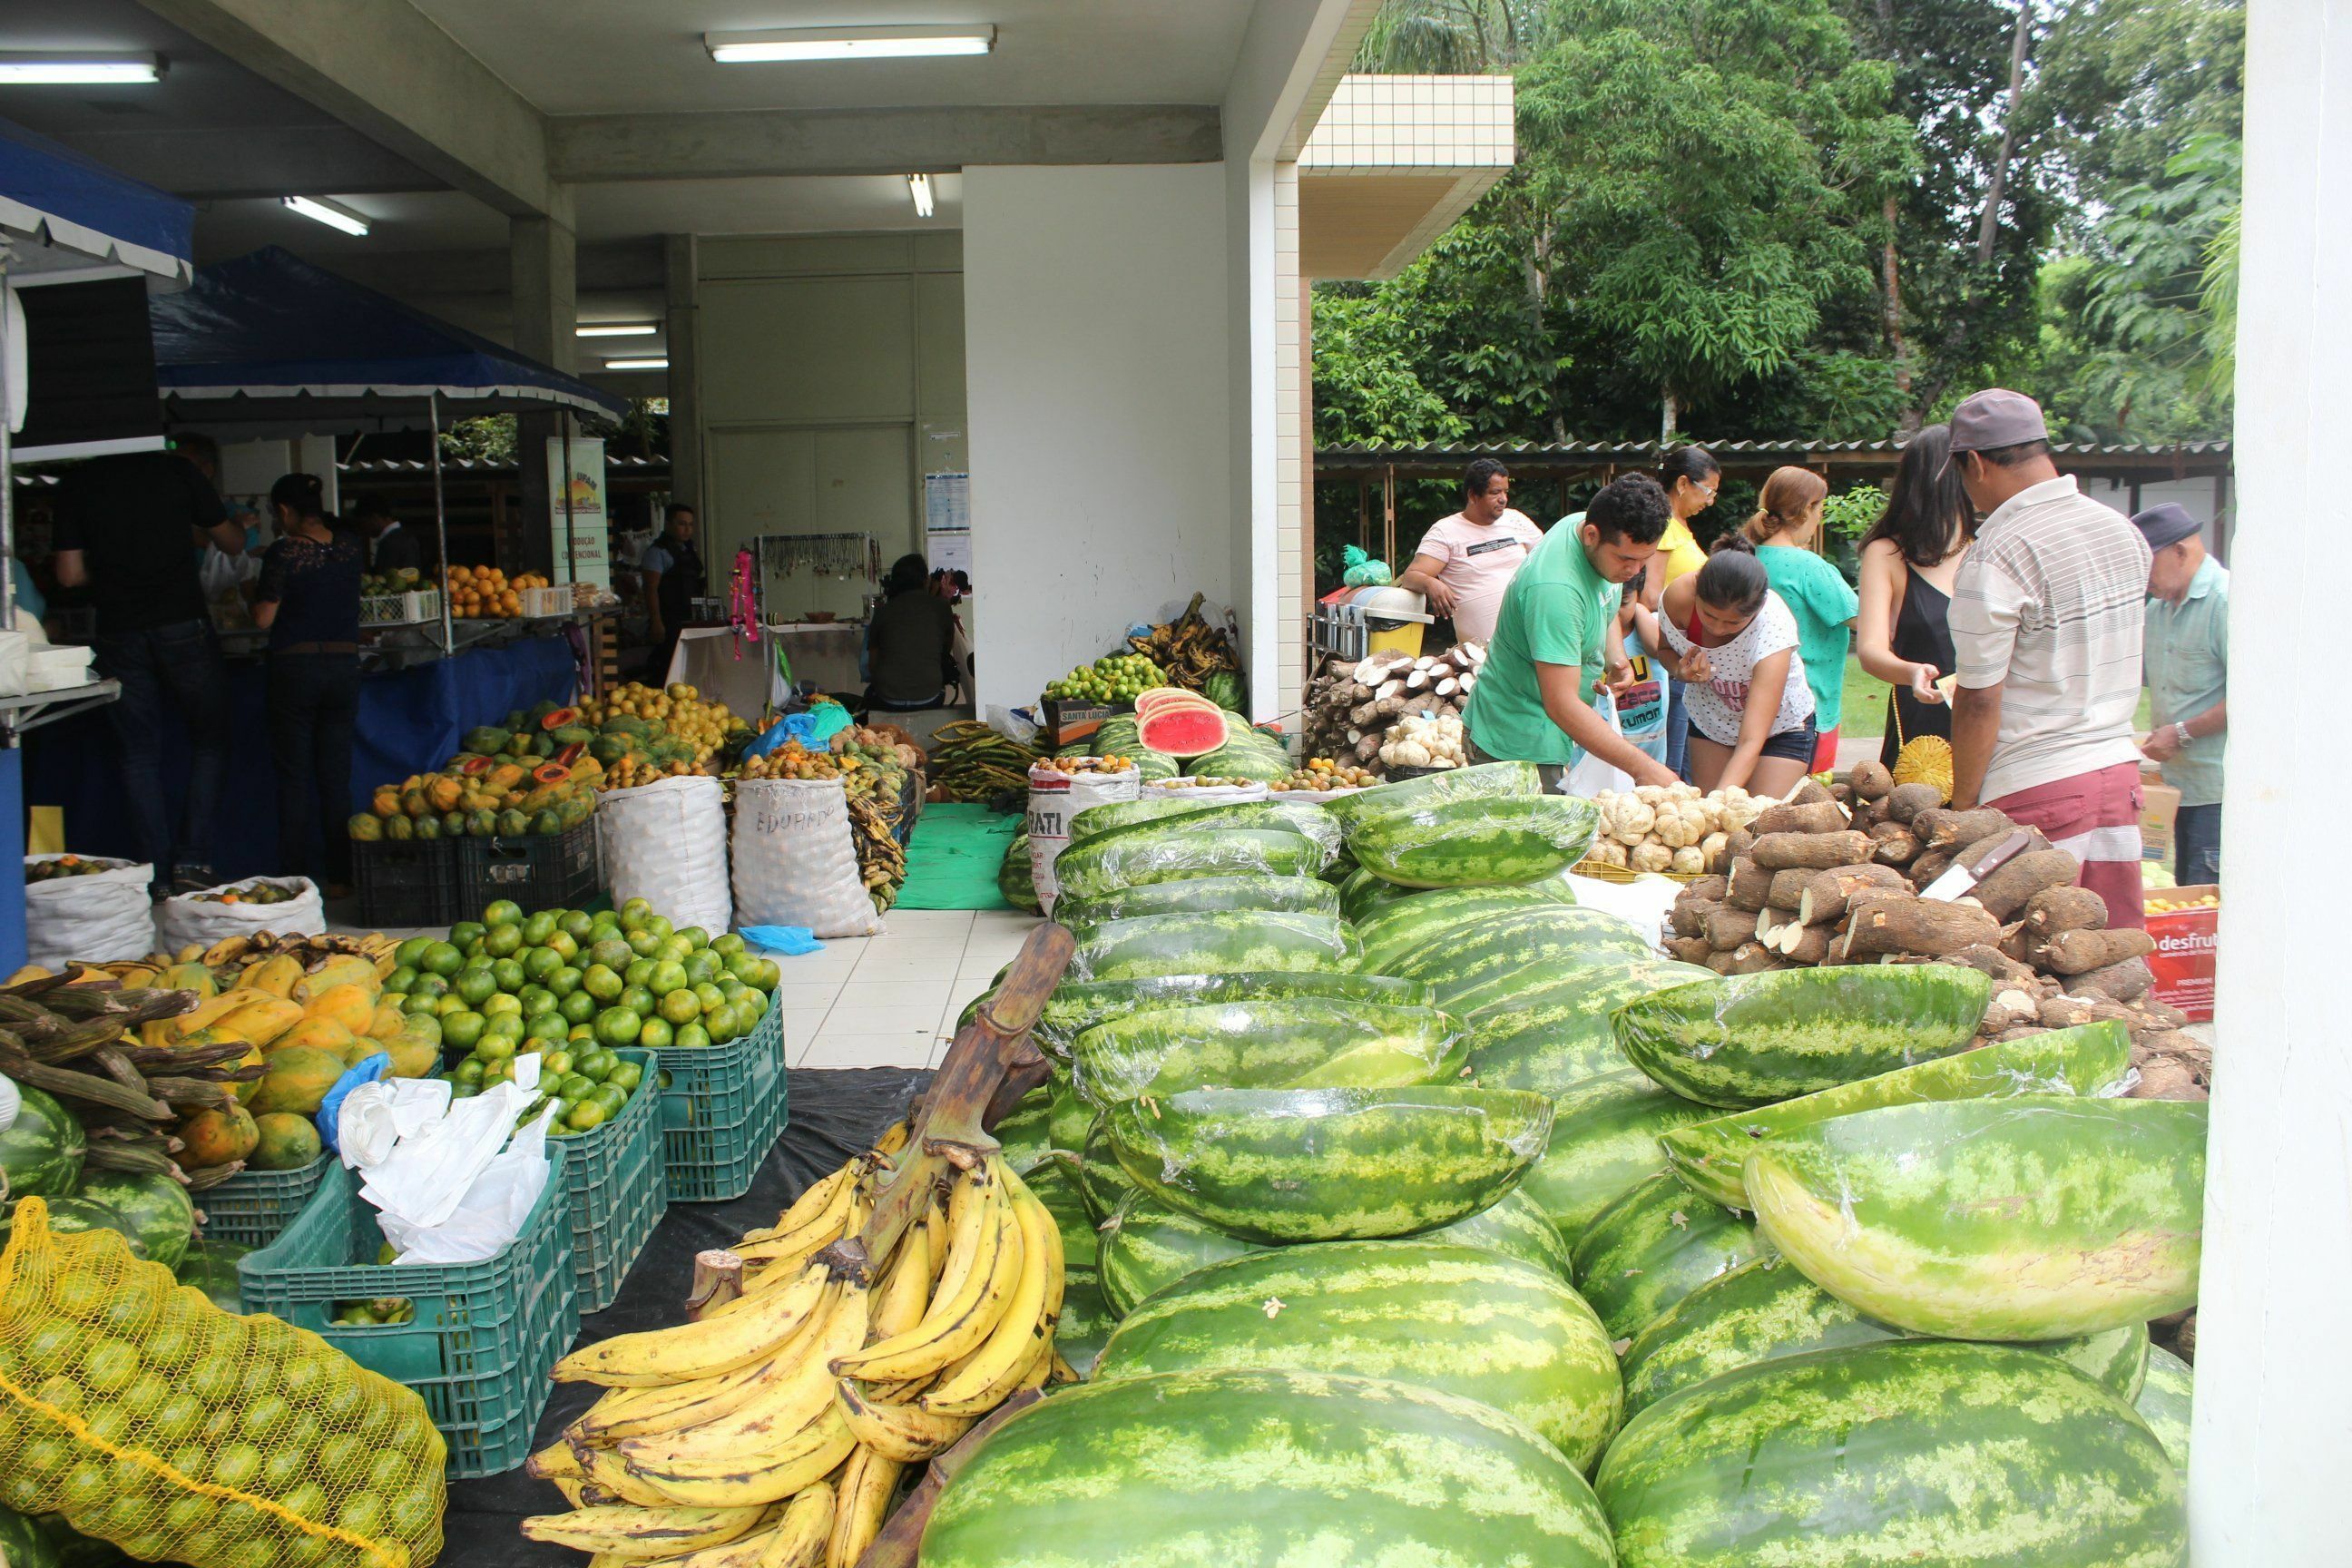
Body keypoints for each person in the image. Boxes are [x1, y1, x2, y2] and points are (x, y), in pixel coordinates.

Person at [1945, 389, 2151, 928]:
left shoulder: (2000, 548)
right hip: (2117, 774)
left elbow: (1978, 699)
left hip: (2039, 784)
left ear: (1975, 463)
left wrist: (1963, 806)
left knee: (2025, 966)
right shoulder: (2121, 530)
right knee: (2107, 958)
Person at [50, 436, 244, 894]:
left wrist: (116, 570)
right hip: (182, 619)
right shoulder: (178, 472)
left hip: (118, 627)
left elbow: (69, 575)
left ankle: (154, 873)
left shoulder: (78, 482)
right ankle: (192, 863)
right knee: (211, 740)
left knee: (138, 753)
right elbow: (232, 542)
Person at [1462, 474, 1680, 791]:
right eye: (1626, 560)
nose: (1633, 572)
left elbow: (1606, 603)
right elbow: (1561, 703)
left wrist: (1616, 658)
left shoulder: (1588, 527)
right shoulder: (1555, 591)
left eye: (1644, 560)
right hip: (1517, 744)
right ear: (1592, 535)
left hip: (1554, 732)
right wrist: (1644, 769)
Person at [252, 475, 366, 897]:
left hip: (295, 669)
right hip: (343, 666)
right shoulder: (351, 546)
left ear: (284, 511)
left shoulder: (285, 552)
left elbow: (263, 618)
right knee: (336, 776)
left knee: (294, 775)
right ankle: (340, 876)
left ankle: (294, 879)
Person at [1635, 536, 1818, 797]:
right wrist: (1679, 670)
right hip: (1712, 723)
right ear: (1696, 590)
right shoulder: (1678, 597)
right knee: (1711, 828)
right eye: (1709, 615)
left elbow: (1751, 740)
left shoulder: (1773, 630)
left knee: (1757, 823)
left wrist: (1718, 803)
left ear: (1757, 609)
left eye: (1733, 623)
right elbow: (1664, 650)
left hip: (1779, 729)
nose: (1718, 628)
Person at [1856, 425, 1974, 767]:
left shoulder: (1987, 548)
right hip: (1922, 723)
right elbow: (1870, 650)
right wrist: (1911, 673)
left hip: (1987, 720)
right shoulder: (1887, 554)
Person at [2134, 503, 2227, 885]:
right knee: (2184, 893)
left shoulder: (2226, 601)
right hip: (2173, 787)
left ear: (2180, 552)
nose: (2143, 577)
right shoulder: (2157, 610)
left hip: (2218, 790)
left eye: (2147, 563)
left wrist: (2183, 731)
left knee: (2209, 905)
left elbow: (2257, 698)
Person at [1745, 466, 1857, 771]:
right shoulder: (1809, 566)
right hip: (1812, 704)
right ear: (1806, 509)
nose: (1820, 517)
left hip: (1755, 705)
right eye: (1819, 508)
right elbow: (1861, 619)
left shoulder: (1748, 558)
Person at [1394, 458, 1544, 645]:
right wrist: (1430, 583)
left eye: (1505, 492)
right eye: (1495, 492)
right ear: (1473, 495)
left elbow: (1547, 561)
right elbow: (1411, 576)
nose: (1503, 499)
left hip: (1532, 639)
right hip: (1481, 654)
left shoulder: (1516, 520)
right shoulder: (1445, 531)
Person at [1643, 446, 1720, 779]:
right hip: (1673, 656)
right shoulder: (1664, 527)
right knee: (1674, 770)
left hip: (1686, 657)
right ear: (1683, 483)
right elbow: (1650, 595)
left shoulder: (1680, 527)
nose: (1710, 501)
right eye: (1708, 491)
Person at [863, 553, 958, 714]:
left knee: (868, 695)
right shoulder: (941, 608)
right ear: (925, 580)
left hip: (887, 699)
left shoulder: (883, 612)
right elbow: (945, 651)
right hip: (930, 697)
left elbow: (873, 664)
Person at [640, 502, 705, 683]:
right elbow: (650, 589)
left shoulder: (690, 550)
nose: (687, 529)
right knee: (667, 668)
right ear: (668, 524)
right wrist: (656, 622)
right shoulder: (657, 552)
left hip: (690, 618)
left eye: (690, 524)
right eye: (681, 523)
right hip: (669, 620)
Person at [351, 500, 422, 575]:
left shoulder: (391, 542)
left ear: (374, 518)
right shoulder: (404, 537)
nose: (364, 529)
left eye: (363, 523)